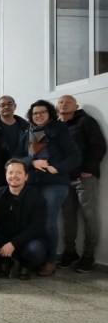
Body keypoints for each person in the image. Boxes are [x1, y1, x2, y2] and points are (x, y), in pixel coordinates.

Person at [20, 99, 81, 276]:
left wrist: (58, 168)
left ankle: (50, 261)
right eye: (35, 113)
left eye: (42, 112)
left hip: (54, 183)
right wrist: (32, 162)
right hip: (32, 183)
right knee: (31, 222)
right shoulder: (27, 132)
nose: (38, 116)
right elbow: (16, 157)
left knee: (48, 222)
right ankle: (35, 258)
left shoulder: (59, 129)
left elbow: (75, 156)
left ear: (50, 113)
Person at [57, 95, 107, 272]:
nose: (64, 104)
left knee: (89, 215)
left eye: (68, 102)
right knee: (68, 217)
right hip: (64, 179)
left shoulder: (86, 121)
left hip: (84, 177)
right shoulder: (55, 126)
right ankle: (70, 252)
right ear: (56, 107)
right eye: (61, 102)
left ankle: (88, 255)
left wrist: (89, 168)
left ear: (76, 106)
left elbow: (98, 145)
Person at [0, 159, 49, 280]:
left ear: (26, 176)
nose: (14, 176)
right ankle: (5, 261)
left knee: (36, 250)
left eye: (19, 172)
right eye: (10, 172)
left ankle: (26, 265)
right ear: (6, 175)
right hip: (3, 238)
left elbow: (36, 228)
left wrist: (13, 243)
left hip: (27, 240)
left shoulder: (37, 198)